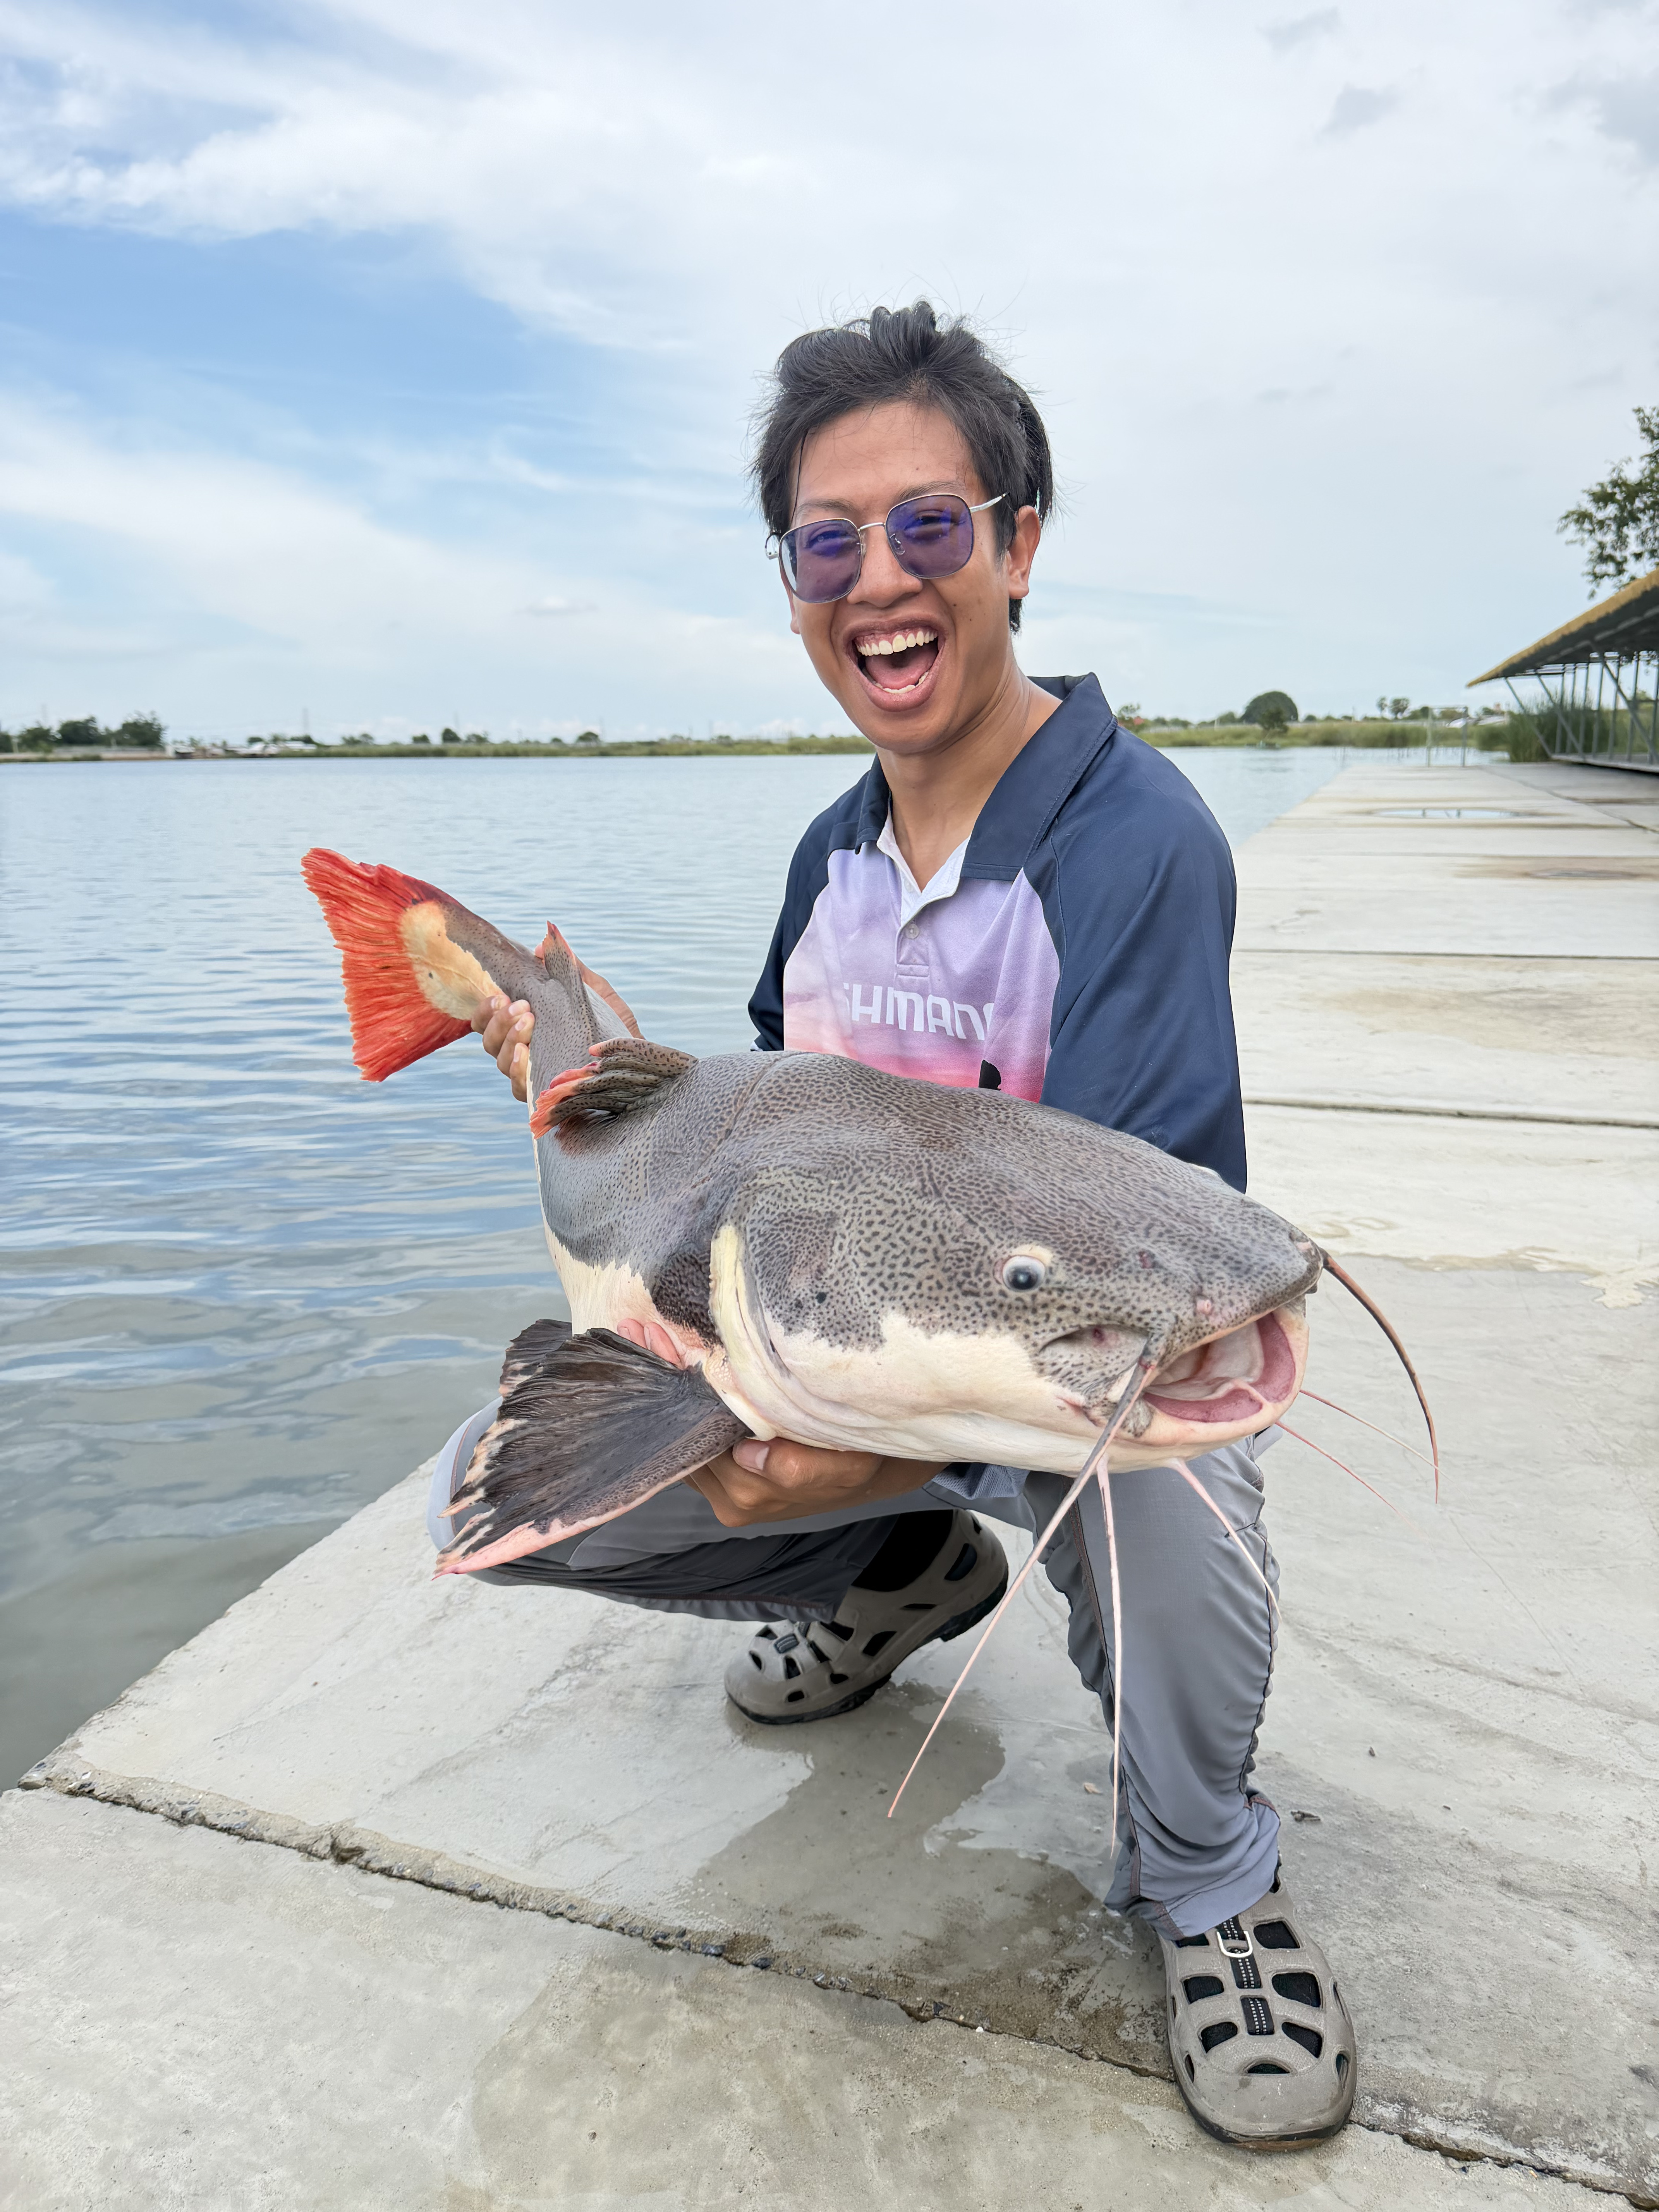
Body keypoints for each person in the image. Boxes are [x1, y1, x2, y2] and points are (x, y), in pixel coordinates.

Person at [450, 301, 1356, 2149]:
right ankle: (907, 1578)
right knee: (501, 1497)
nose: (884, 579)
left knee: (1171, 1492)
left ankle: (1207, 1878)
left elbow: (1148, 1260)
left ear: (1019, 542)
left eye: (932, 526)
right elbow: (763, 1139)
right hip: (856, 1360)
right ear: (793, 585)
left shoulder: (1140, 843)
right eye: (829, 542)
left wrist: (838, 1436)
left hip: (1058, 1372)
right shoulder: (822, 859)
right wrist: (597, 1069)